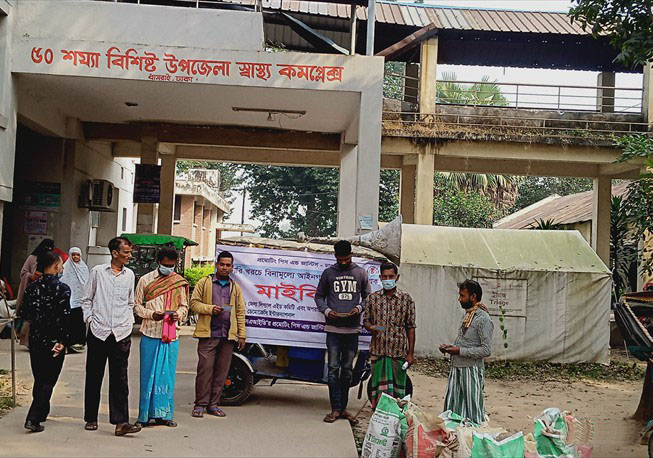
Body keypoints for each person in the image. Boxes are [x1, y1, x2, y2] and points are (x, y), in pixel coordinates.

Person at [81, 236, 141, 436]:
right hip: (98, 331)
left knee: (120, 379)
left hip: (121, 333)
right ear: (115, 253)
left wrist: (128, 322)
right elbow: (86, 299)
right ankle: (91, 418)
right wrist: (90, 320)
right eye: (126, 252)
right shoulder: (98, 272)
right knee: (94, 375)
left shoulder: (130, 275)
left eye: (130, 252)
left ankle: (121, 423)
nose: (129, 256)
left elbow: (130, 302)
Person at [315, 240, 371, 425]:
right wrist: (328, 312)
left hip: (352, 329)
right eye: (341, 259)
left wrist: (359, 308)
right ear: (335, 256)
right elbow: (319, 296)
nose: (344, 262)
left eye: (347, 259)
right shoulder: (328, 273)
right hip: (333, 329)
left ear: (351, 255)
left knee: (347, 370)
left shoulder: (360, 273)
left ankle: (344, 408)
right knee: (333, 369)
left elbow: (368, 297)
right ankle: (334, 409)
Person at [134, 248, 189, 428]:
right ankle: (144, 416)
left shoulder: (179, 282)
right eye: (165, 265)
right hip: (150, 332)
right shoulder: (145, 280)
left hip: (171, 335)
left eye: (171, 266)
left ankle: (165, 414)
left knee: (167, 375)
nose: (168, 268)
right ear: (158, 262)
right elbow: (136, 306)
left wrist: (178, 315)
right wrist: (152, 314)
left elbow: (184, 307)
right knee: (148, 375)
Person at [19, 250, 71, 432]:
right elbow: (66, 318)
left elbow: (25, 314)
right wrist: (63, 340)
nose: (62, 267)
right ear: (56, 266)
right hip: (55, 340)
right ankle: (33, 418)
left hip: (36, 339)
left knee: (40, 378)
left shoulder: (32, 288)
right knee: (49, 380)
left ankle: (42, 412)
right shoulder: (63, 289)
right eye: (61, 264)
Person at [190, 251, 246, 418]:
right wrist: (209, 309)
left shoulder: (235, 288)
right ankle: (200, 404)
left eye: (228, 265)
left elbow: (240, 312)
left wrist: (241, 335)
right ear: (216, 264)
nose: (224, 268)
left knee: (221, 373)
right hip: (208, 335)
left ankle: (213, 405)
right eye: (222, 264)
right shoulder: (204, 282)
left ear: (232, 268)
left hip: (227, 337)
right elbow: (193, 303)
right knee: (205, 371)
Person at [439, 279, 494, 425]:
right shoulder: (467, 316)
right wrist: (451, 348)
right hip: (457, 367)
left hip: (471, 370)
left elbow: (486, 350)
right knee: (453, 406)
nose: (459, 299)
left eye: (462, 296)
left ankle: (474, 438)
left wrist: (459, 350)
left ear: (473, 297)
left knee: (473, 409)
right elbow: (466, 342)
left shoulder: (484, 319)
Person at [363, 261, 416, 409]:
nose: (388, 280)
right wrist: (371, 327)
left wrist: (410, 354)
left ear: (397, 277)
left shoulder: (406, 300)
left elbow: (410, 327)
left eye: (391, 276)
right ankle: (379, 416)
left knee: (399, 390)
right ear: (380, 277)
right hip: (378, 351)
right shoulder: (372, 299)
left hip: (398, 352)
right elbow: (366, 321)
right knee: (377, 389)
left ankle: (397, 415)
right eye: (385, 277)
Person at [16, 238, 55, 347]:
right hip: (32, 291)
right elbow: (23, 273)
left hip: (47, 292)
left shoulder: (52, 259)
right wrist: (31, 276)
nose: (49, 250)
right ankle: (27, 341)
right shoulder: (32, 258)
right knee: (31, 317)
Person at [61, 247, 90, 353]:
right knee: (70, 322)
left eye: (77, 255)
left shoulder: (84, 267)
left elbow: (87, 283)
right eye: (73, 255)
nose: (75, 257)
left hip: (81, 299)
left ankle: (79, 342)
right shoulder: (66, 267)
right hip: (69, 299)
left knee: (79, 321)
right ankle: (69, 343)